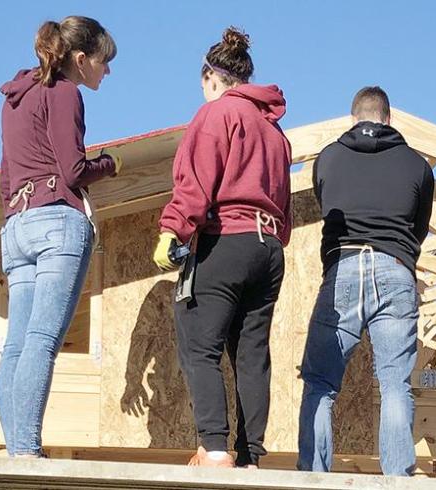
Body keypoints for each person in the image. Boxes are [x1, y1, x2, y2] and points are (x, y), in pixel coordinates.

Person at [155, 26, 292, 469]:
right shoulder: (274, 132)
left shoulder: (216, 115)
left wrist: (172, 231)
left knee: (200, 345)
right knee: (252, 354)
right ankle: (251, 455)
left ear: (211, 78)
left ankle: (214, 449)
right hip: (269, 248)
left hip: (227, 239)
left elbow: (195, 182)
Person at [0, 16, 121, 458]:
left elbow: (6, 178)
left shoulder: (14, 98)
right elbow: (73, 170)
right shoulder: (65, 92)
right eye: (104, 62)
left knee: (16, 345)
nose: (107, 72)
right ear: (81, 58)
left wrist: (16, 214)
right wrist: (111, 164)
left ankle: (17, 450)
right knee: (42, 341)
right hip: (56, 223)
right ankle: (27, 451)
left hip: (16, 225)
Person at [297, 87, 434, 477]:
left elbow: (327, 205)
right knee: (394, 385)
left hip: (344, 264)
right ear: (388, 119)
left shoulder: (329, 157)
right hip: (395, 267)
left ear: (352, 118)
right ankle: (397, 480)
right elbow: (417, 229)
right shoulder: (417, 165)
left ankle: (312, 478)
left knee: (320, 383)